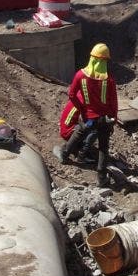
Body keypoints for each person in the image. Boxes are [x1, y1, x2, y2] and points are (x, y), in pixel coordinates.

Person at [53, 43, 118, 185]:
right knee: (103, 147)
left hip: (89, 118)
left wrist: (82, 109)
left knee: (79, 133)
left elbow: (71, 94)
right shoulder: (109, 81)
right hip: (105, 120)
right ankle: (101, 178)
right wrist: (113, 119)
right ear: (105, 61)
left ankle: (64, 155)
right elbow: (113, 103)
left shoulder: (80, 75)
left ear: (91, 58)